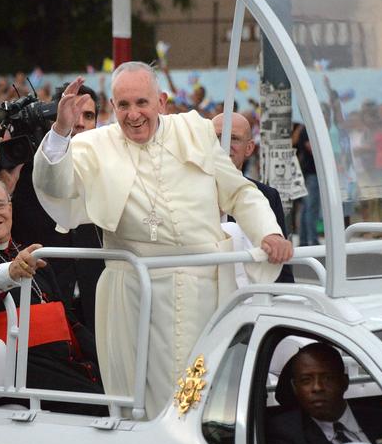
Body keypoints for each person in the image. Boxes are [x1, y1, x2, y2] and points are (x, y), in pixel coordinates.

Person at [32, 61, 293, 416]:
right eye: (123, 105)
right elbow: (55, 186)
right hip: (139, 295)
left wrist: (269, 232)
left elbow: (240, 193)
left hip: (206, 291)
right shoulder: (95, 145)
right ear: (113, 106)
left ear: (162, 102)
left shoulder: (195, 132)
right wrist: (62, 131)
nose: (133, 115)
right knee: (152, 401)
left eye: (142, 103)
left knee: (207, 394)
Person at [0, 177, 104, 415]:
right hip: (20, 374)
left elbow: (70, 323)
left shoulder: (28, 253)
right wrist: (10, 272)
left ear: (10, 208)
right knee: (104, 405)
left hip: (63, 366)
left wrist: (108, 361)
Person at [0, 82, 104, 335]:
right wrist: (6, 188)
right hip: (42, 302)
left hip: (96, 300)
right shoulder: (27, 167)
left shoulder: (109, 166)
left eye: (88, 115)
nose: (80, 122)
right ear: (55, 117)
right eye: (73, 112)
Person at [266, 342, 382, 444]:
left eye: (327, 378)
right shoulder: (286, 434)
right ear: (295, 388)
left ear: (344, 382)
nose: (317, 387)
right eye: (306, 380)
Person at [212, 111, 294, 283]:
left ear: (249, 148)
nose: (224, 145)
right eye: (216, 137)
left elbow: (282, 273)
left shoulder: (266, 196)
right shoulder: (185, 191)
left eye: (233, 138)